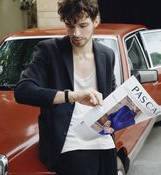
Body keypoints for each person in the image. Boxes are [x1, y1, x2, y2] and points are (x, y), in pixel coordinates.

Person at [14, 0, 117, 174]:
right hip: (70, 142)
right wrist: (72, 96)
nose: (76, 33)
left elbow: (111, 96)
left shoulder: (106, 55)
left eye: (83, 25)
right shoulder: (49, 50)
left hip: (103, 138)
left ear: (96, 21)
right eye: (70, 26)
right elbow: (22, 91)